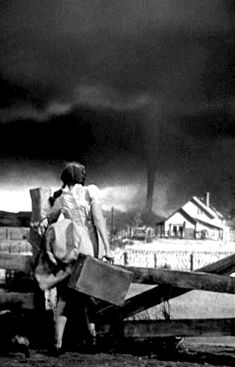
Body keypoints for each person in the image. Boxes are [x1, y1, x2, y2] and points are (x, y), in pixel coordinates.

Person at [40, 162, 113, 354]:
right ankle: (92, 340)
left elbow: (48, 220)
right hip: (87, 244)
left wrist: (48, 243)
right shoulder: (90, 192)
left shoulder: (61, 198)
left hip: (69, 246)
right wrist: (108, 248)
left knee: (65, 295)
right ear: (81, 176)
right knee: (88, 294)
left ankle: (57, 344)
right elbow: (97, 220)